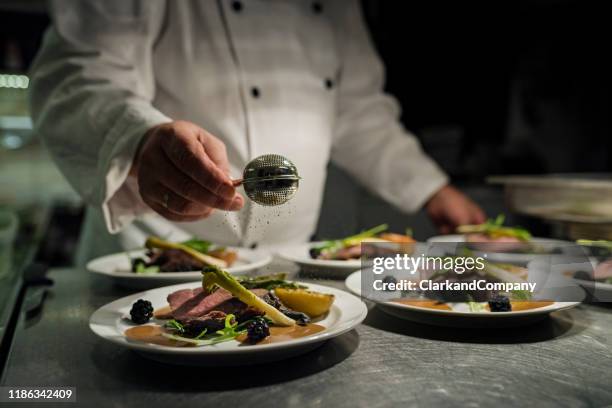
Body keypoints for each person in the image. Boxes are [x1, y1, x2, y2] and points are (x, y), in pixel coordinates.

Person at [30, 0, 485, 264]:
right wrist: (141, 138)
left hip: (286, 259)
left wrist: (432, 188)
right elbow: (78, 72)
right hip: (157, 248)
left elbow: (357, 108)